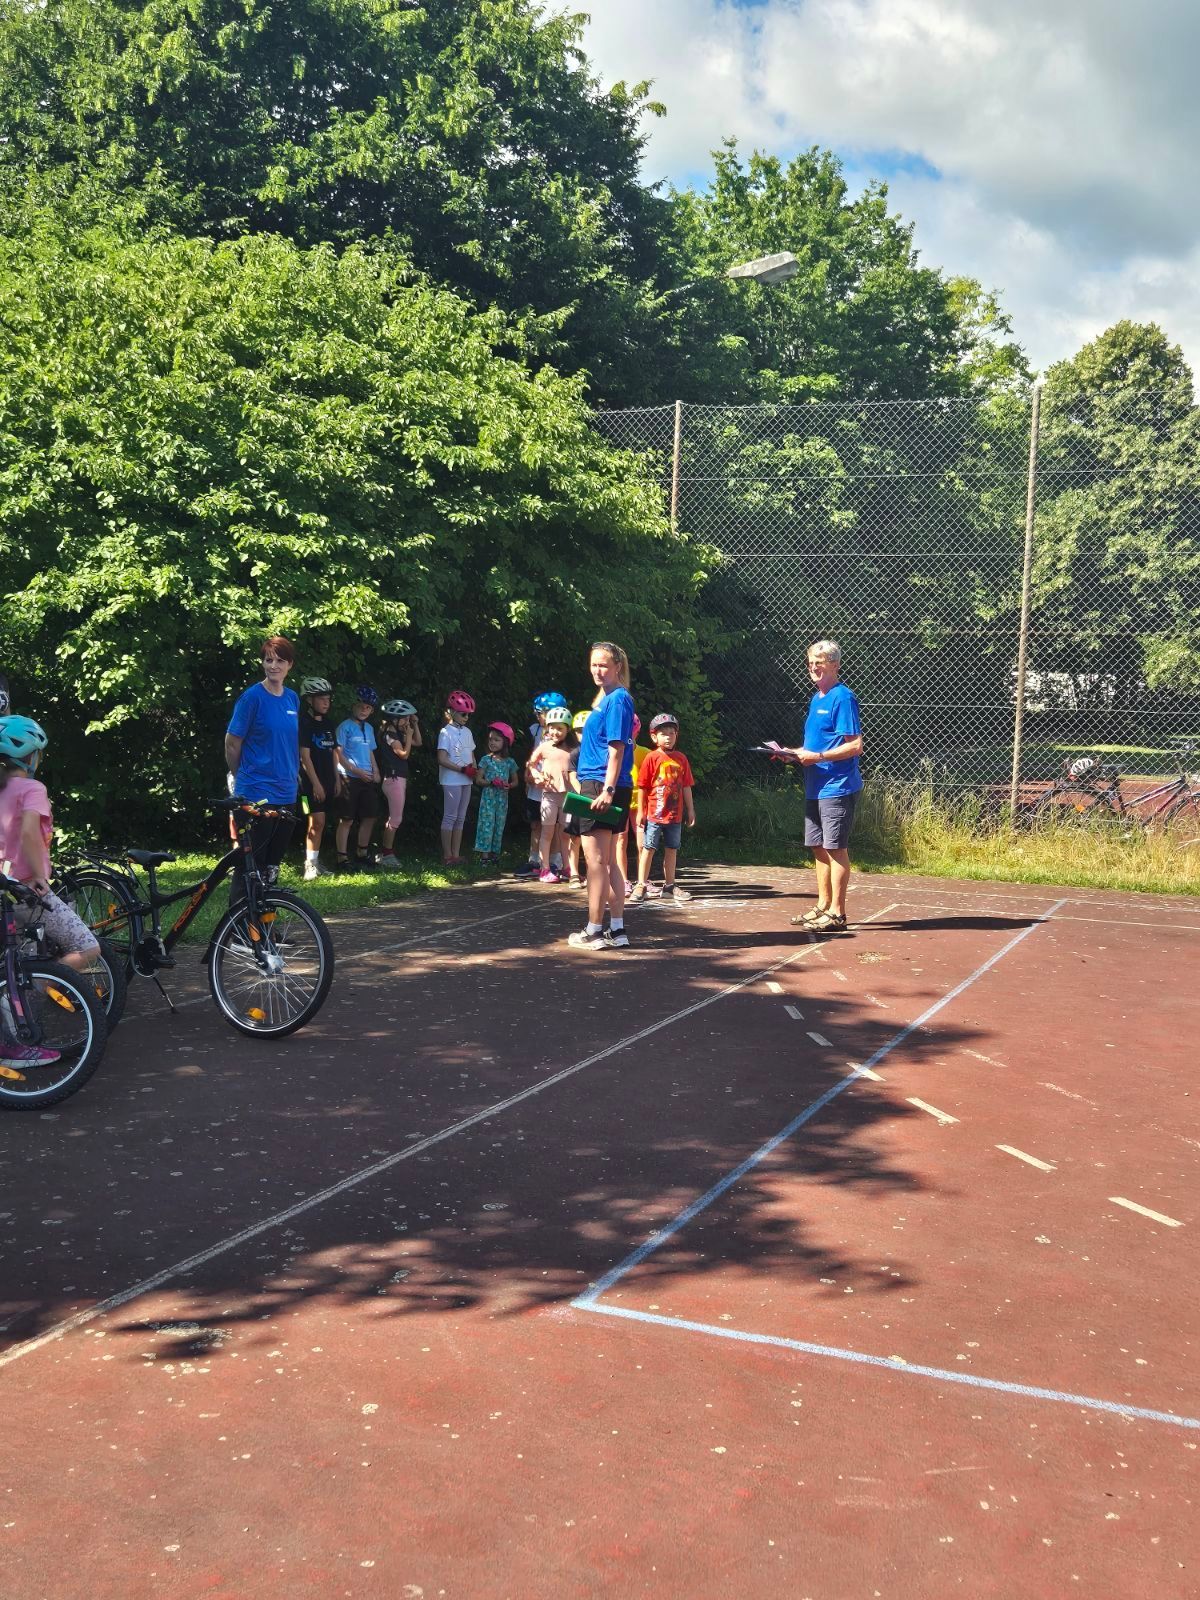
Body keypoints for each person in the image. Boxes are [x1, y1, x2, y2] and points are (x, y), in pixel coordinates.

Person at [0, 715, 98, 1068]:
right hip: (27, 890)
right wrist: (41, 877)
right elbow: (28, 833)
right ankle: (26, 992)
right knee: (87, 946)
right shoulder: (32, 789)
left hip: (3, 890)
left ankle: (13, 1018)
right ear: (30, 756)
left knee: (15, 960)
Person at [783, 639, 863, 934]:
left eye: (820, 662)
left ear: (835, 665)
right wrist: (794, 754)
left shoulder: (843, 697)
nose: (813, 667)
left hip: (837, 787)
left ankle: (837, 914)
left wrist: (816, 757)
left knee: (835, 848)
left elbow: (855, 746)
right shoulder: (817, 698)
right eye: (810, 663)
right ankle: (823, 906)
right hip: (815, 785)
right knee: (818, 847)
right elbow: (817, 744)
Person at [565, 641, 635, 951]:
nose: (597, 670)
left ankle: (593, 931)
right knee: (608, 863)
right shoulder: (609, 698)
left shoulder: (617, 700)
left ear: (618, 666)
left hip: (601, 783)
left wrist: (607, 789)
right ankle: (616, 930)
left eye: (604, 664)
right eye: (594, 664)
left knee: (595, 862)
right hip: (607, 783)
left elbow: (616, 748)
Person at [224, 636, 301, 897]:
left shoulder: (292, 699)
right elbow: (232, 743)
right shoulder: (252, 698)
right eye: (269, 660)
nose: (274, 666)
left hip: (286, 792)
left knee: (272, 867)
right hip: (256, 792)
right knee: (250, 866)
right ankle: (239, 919)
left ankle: (265, 919)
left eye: (280, 660)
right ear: (262, 663)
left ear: (289, 664)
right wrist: (241, 778)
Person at [628, 713, 696, 905]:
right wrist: (641, 812)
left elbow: (686, 786)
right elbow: (642, 786)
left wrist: (690, 810)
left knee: (672, 849)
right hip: (654, 815)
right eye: (663, 733)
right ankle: (641, 885)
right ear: (654, 737)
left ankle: (669, 886)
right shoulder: (651, 758)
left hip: (675, 816)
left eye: (672, 733)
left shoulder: (681, 759)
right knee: (648, 848)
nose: (668, 737)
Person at [515, 692, 568, 878]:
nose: (538, 716)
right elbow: (532, 755)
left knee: (555, 825)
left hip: (555, 788)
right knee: (536, 823)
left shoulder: (564, 737)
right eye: (537, 713)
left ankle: (554, 861)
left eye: (541, 713)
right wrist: (529, 774)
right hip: (536, 786)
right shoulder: (536, 730)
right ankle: (535, 861)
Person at [526, 706, 577, 881]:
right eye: (552, 727)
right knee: (547, 833)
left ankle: (567, 867)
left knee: (566, 834)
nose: (555, 732)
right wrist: (536, 775)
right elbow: (531, 764)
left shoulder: (574, 748)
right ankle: (545, 868)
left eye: (560, 728)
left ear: (568, 729)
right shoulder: (544, 747)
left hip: (568, 795)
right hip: (549, 795)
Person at [335, 686, 381, 872]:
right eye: (361, 705)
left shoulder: (369, 728)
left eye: (368, 707)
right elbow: (338, 754)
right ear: (353, 706)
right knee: (347, 819)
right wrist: (355, 770)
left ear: (372, 711)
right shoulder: (344, 727)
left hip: (367, 778)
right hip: (349, 777)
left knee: (370, 816)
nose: (364, 709)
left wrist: (376, 770)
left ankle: (362, 853)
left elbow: (370, 751)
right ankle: (342, 857)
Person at [298, 676, 338, 880]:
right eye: (321, 698)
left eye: (328, 698)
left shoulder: (329, 723)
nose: (326, 702)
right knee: (315, 820)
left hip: (328, 779)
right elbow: (304, 756)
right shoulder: (304, 723)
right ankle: (310, 865)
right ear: (309, 700)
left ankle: (314, 859)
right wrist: (315, 784)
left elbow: (333, 752)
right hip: (308, 784)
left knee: (320, 822)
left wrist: (337, 779)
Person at [376, 699, 421, 869]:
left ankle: (384, 853)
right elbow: (404, 754)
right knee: (396, 819)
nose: (407, 721)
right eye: (405, 718)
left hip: (398, 779)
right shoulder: (390, 735)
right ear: (394, 719)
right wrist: (408, 736)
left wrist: (414, 725)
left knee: (394, 818)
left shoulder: (397, 732)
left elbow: (418, 742)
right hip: (393, 780)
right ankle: (387, 854)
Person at [437, 690, 477, 865]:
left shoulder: (467, 731)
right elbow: (441, 759)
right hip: (451, 780)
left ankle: (456, 854)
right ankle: (447, 856)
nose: (466, 717)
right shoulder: (445, 732)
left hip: (466, 779)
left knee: (461, 817)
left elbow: (471, 753)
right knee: (450, 816)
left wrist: (474, 769)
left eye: (468, 715)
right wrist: (462, 769)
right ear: (451, 712)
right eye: (463, 714)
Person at [473, 722, 519, 864]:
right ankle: (484, 856)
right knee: (486, 824)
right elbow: (478, 780)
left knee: (499, 825)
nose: (492, 742)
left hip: (502, 799)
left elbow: (515, 782)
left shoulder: (510, 762)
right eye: (490, 739)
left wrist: (508, 785)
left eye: (496, 740)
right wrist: (491, 782)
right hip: (488, 797)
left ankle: (494, 854)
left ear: (505, 743)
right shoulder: (486, 760)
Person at [617, 714, 651, 887]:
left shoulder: (645, 753)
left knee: (642, 842)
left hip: (639, 803)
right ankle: (622, 880)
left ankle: (643, 880)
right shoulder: (614, 751)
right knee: (620, 839)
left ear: (637, 732)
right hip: (620, 800)